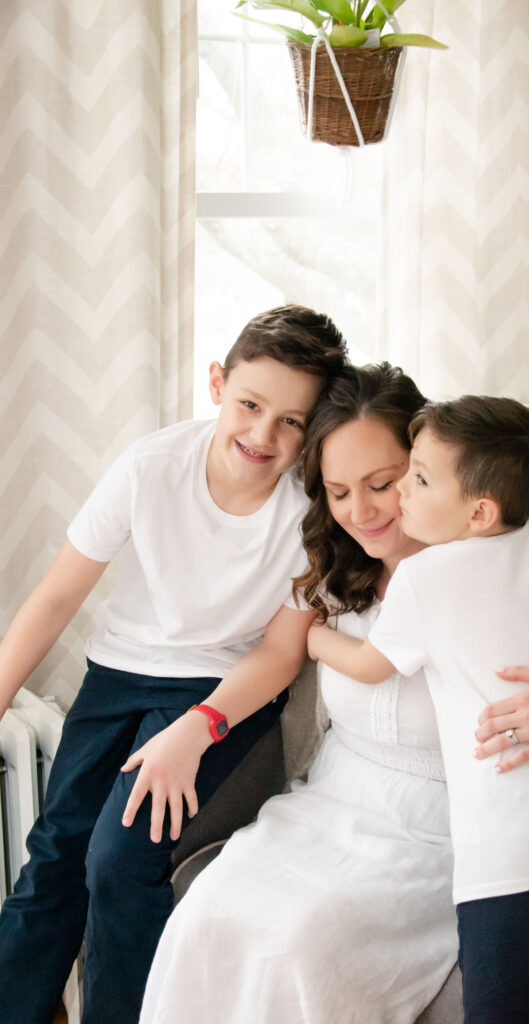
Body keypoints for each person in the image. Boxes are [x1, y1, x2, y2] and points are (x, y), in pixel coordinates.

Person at [140, 365, 529, 1024]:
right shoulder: (336, 576)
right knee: (205, 916)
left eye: (387, 484)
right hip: (324, 814)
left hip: (441, 837)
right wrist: (196, 726)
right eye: (338, 491)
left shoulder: (509, 587)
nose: (360, 512)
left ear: (437, 478)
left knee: (299, 946)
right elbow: (280, 653)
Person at [0, 305, 347, 1024]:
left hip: (220, 688)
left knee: (119, 860)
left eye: (291, 422)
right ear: (217, 384)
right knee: (56, 855)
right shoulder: (151, 465)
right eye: (251, 405)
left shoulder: (310, 511)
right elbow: (58, 595)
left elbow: (282, 652)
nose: (263, 434)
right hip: (116, 676)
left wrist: (196, 728)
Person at [307, 394, 529, 1024]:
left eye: (416, 481)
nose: (399, 497)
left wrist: (313, 637)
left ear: (479, 511)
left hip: (510, 859)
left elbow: (371, 664)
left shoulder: (426, 580)